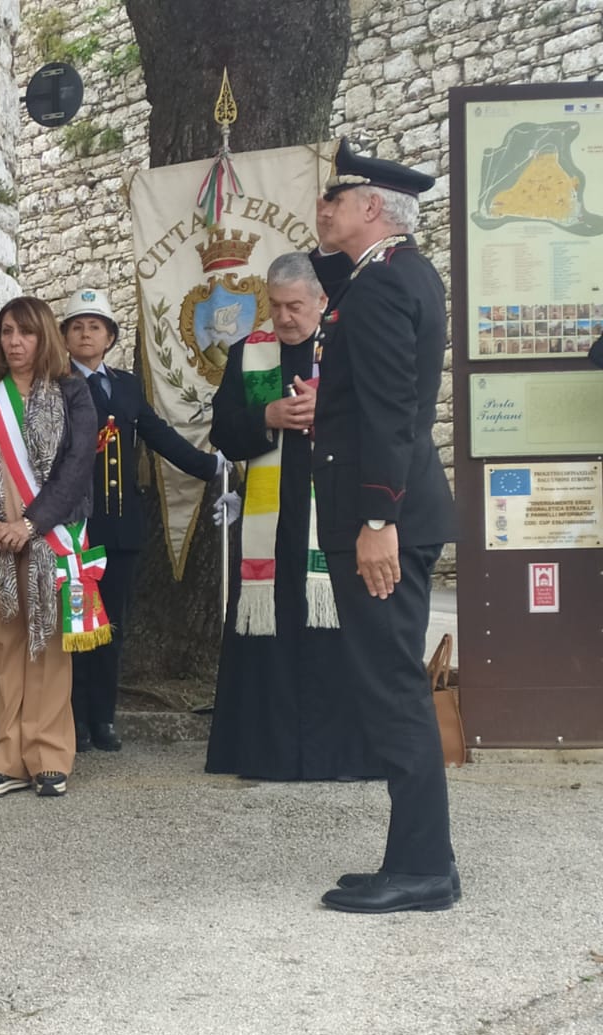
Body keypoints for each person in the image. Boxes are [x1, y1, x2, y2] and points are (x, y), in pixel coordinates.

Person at [303, 139, 459, 914]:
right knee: (387, 683)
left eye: (335, 198)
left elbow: (394, 413)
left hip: (384, 517)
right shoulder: (383, 276)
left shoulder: (386, 286)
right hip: (388, 510)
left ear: (372, 207)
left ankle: (427, 868)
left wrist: (374, 519)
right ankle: (412, 856)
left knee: (395, 686)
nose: (320, 209)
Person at [205, 252, 374, 781]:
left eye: (295, 306)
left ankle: (337, 757)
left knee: (335, 637)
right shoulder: (249, 354)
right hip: (271, 528)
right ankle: (267, 753)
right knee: (270, 639)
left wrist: (331, 414)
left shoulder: (349, 351)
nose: (284, 317)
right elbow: (223, 432)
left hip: (335, 519)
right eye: (275, 306)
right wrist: (267, 416)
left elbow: (383, 426)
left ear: (322, 301)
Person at [59, 289, 228, 752]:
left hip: (122, 526)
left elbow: (158, 435)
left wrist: (210, 465)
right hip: (77, 528)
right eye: (77, 326)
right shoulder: (58, 387)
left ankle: (104, 717)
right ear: (65, 338)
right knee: (80, 628)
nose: (86, 333)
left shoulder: (128, 386)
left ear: (111, 336)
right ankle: (75, 721)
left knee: (112, 627)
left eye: (95, 326)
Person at [0, 296, 97, 798]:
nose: (15, 342)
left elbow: (76, 467)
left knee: (49, 645)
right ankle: (6, 757)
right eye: (7, 331)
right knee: (3, 644)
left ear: (45, 337)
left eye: (26, 332)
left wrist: (31, 523)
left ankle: (48, 755)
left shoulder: (73, 394)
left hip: (50, 537)